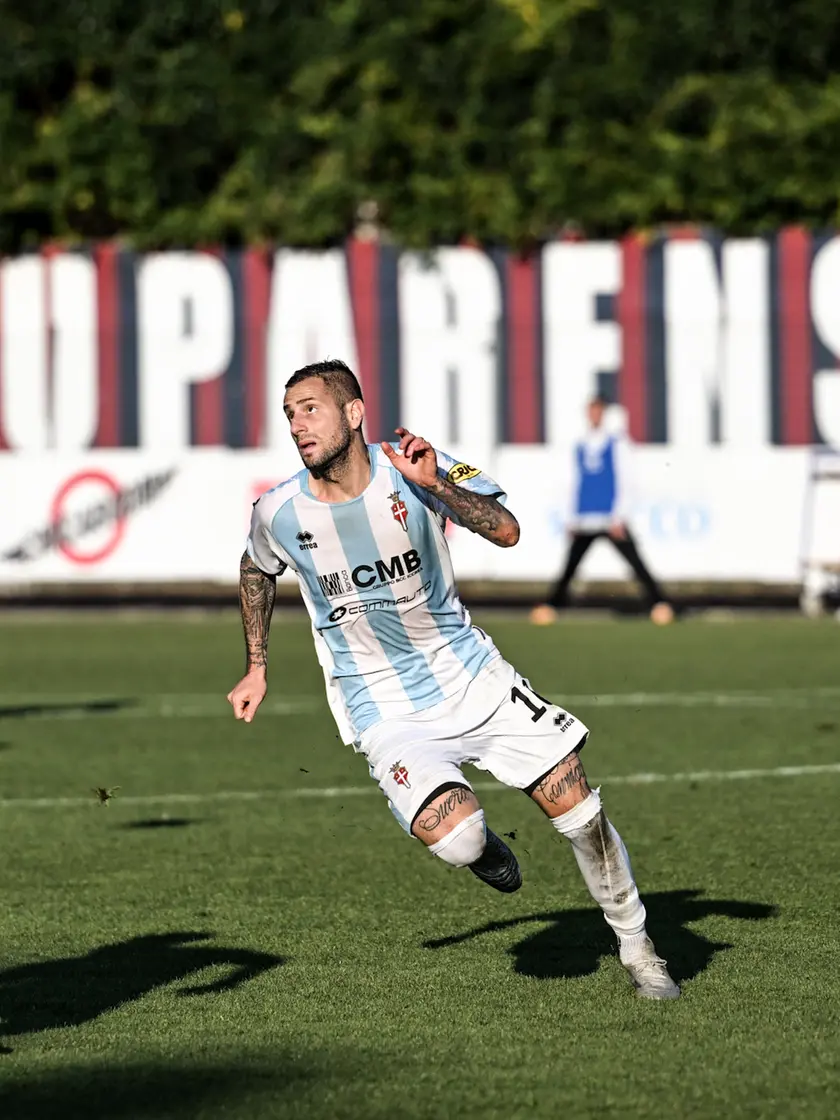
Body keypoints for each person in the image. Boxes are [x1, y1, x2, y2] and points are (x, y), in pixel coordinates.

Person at [227, 359, 680, 1000]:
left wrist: (437, 483)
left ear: (354, 413)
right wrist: (257, 665)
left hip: (473, 677)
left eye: (311, 408)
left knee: (578, 810)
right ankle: (484, 848)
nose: (298, 425)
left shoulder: (415, 464)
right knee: (461, 839)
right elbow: (254, 569)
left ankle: (640, 952)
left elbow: (507, 530)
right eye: (290, 413)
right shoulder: (278, 511)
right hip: (382, 706)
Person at [530, 394, 674, 626]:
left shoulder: (617, 443)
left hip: (610, 518)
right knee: (570, 566)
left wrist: (620, 515)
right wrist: (571, 518)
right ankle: (551, 605)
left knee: (636, 562)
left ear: (604, 413)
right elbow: (573, 482)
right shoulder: (580, 444)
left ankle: (660, 604)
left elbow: (626, 480)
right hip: (585, 518)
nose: (594, 415)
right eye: (591, 410)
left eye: (598, 410)